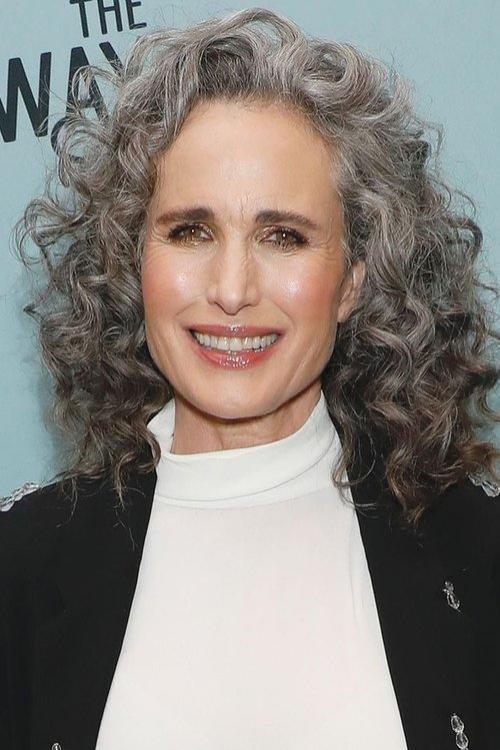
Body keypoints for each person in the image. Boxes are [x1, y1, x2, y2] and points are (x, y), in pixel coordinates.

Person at [1, 6, 499, 749]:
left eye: (283, 236)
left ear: (354, 279)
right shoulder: (21, 563)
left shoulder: (478, 552)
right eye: (190, 231)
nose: (232, 289)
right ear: (133, 260)